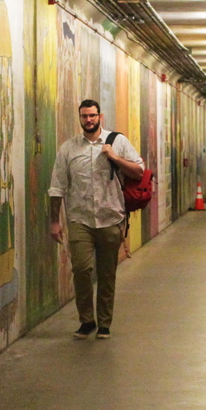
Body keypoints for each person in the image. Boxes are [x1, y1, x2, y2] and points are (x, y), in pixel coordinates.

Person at [48, 100, 145, 338]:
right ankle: (86, 320)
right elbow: (57, 187)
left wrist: (115, 158)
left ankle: (104, 323)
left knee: (106, 274)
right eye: (84, 116)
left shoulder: (117, 142)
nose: (88, 120)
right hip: (80, 219)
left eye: (92, 116)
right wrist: (54, 221)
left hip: (110, 218)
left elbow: (139, 171)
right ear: (79, 118)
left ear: (100, 116)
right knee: (81, 269)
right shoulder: (68, 148)